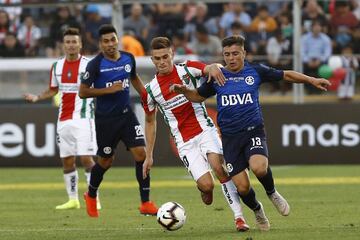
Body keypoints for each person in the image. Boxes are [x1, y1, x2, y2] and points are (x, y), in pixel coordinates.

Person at [171, 35, 331, 231]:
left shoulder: (255, 71)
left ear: (244, 53)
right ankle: (257, 210)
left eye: (235, 53)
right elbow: (198, 97)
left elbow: (285, 75)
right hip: (230, 139)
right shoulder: (217, 77)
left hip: (253, 131)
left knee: (259, 168)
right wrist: (183, 91)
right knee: (242, 187)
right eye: (227, 54)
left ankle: (272, 193)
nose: (231, 58)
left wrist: (312, 80)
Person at [141, 36, 249, 232]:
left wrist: (214, 66)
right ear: (152, 60)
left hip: (205, 129)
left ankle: (239, 218)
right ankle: (205, 190)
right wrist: (148, 155)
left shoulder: (187, 69)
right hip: (184, 142)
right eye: (157, 58)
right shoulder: (150, 90)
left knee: (219, 167)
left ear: (172, 54)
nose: (162, 61)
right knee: (207, 186)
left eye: (165, 56)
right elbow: (150, 122)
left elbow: (208, 68)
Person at [79, 24, 157, 218]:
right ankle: (91, 194)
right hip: (106, 120)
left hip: (126, 115)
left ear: (117, 40)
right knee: (105, 161)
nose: (110, 44)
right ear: (100, 44)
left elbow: (135, 79)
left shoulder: (128, 58)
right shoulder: (95, 65)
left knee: (141, 154)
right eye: (106, 41)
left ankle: (145, 202)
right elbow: (83, 92)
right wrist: (108, 90)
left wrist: (147, 97)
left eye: (113, 40)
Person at [24, 28, 99, 210]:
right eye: (68, 42)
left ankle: (94, 199)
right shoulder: (57, 66)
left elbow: (99, 87)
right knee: (67, 160)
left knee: (87, 159)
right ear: (63, 45)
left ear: (80, 44)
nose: (71, 45)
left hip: (83, 118)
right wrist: (36, 97)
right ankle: (73, 199)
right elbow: (53, 90)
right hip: (63, 119)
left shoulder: (89, 65)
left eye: (74, 42)